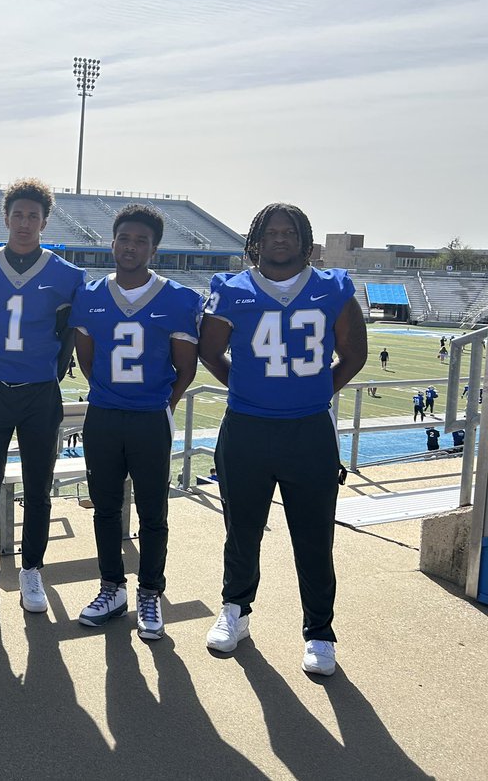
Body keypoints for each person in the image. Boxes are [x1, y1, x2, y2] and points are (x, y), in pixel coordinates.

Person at [198, 202, 366, 677]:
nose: (279, 238)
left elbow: (354, 353)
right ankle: (236, 609)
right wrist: (251, 391)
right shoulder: (230, 290)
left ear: (304, 238)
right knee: (242, 528)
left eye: (289, 231)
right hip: (247, 429)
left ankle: (319, 632)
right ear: (256, 239)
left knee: (314, 536)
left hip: (308, 430)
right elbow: (211, 351)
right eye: (270, 232)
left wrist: (313, 393)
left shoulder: (332, 289)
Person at [71, 204, 202, 640]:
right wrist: (113, 395)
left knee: (153, 511)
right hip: (105, 416)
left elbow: (186, 369)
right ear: (112, 242)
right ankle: (112, 587)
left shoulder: (179, 298)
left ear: (154, 248)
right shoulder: (90, 295)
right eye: (124, 238)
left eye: (141, 240)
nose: (131, 247)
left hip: (150, 419)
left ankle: (150, 592)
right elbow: (86, 360)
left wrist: (158, 404)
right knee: (105, 507)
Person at [0, 178, 83, 613]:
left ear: (45, 221)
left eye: (34, 215)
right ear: (6, 217)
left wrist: (42, 372)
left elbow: (67, 336)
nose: (25, 222)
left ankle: (32, 568)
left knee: (39, 485)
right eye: (19, 214)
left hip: (40, 394)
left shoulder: (67, 275)